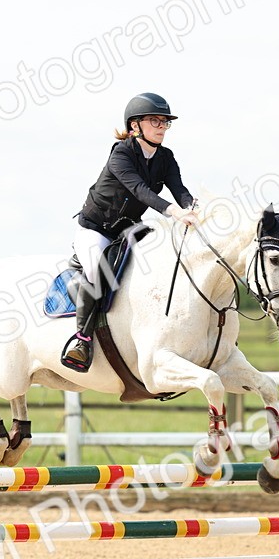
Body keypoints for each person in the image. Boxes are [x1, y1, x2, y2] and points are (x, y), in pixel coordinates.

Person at [61, 92, 199, 372]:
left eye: (165, 122)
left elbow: (180, 190)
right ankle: (82, 339)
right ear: (135, 125)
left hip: (127, 231)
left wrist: (195, 209)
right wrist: (174, 212)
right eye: (155, 121)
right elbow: (140, 191)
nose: (161, 126)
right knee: (98, 275)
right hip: (96, 230)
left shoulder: (166, 158)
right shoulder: (121, 153)